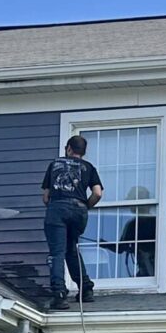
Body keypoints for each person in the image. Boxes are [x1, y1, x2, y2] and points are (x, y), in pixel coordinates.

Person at [40, 132, 103, 309]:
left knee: (57, 252)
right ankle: (86, 290)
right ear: (83, 152)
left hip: (58, 209)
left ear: (68, 148)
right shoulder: (89, 167)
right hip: (79, 211)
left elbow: (46, 197)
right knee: (70, 248)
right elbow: (97, 193)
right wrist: (86, 206)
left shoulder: (55, 164)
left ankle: (59, 294)